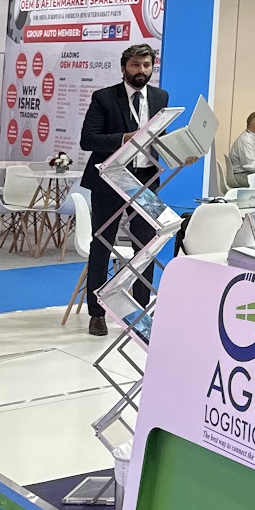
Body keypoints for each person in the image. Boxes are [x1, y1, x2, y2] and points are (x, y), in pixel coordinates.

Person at [79, 44, 169, 337]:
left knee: (146, 246)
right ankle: (97, 314)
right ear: (123, 67)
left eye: (146, 65)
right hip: (110, 179)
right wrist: (124, 138)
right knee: (102, 245)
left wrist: (182, 150)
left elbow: (161, 137)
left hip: (145, 181)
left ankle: (141, 313)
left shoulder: (160, 97)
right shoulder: (103, 97)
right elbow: (88, 140)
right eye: (135, 65)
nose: (141, 70)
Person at [227, 111, 255, 187]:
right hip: (241, 174)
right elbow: (250, 166)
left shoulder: (254, 138)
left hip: (248, 173)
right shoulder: (246, 140)